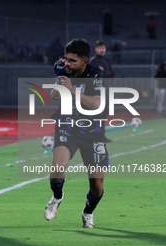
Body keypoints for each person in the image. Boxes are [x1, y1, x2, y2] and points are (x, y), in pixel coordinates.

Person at [44, 38, 110, 228]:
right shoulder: (63, 70)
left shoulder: (95, 75)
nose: (68, 63)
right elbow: (54, 95)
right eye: (66, 59)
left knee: (97, 188)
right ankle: (57, 197)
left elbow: (97, 104)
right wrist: (59, 86)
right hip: (68, 127)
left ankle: (87, 212)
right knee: (57, 170)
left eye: (73, 60)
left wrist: (72, 90)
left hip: (93, 132)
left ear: (85, 62)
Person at [89, 40, 114, 142]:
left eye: (103, 48)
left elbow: (112, 74)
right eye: (99, 48)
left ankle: (101, 135)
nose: (101, 50)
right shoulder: (93, 61)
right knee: (96, 114)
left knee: (103, 113)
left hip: (104, 89)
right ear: (95, 49)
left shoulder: (106, 61)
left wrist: (104, 72)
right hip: (95, 91)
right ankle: (94, 135)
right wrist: (104, 73)